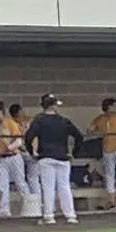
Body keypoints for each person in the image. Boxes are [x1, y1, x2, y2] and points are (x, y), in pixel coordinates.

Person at [25, 95, 80, 224]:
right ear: (54, 106)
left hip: (46, 157)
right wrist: (74, 153)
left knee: (48, 187)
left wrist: (32, 152)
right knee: (64, 187)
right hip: (63, 157)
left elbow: (28, 137)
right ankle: (70, 215)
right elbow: (79, 136)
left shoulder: (38, 120)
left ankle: (49, 215)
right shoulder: (63, 120)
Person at [91, 95, 116, 211]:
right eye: (114, 105)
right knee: (109, 175)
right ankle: (111, 199)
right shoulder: (100, 119)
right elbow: (91, 130)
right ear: (108, 107)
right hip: (108, 148)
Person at [0, 102, 27, 219]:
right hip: (1, 158)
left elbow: (18, 141)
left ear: (0, 111)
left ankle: (30, 207)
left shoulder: (10, 123)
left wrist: (8, 148)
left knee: (20, 183)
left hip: (14, 157)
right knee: (2, 185)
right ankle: (4, 210)